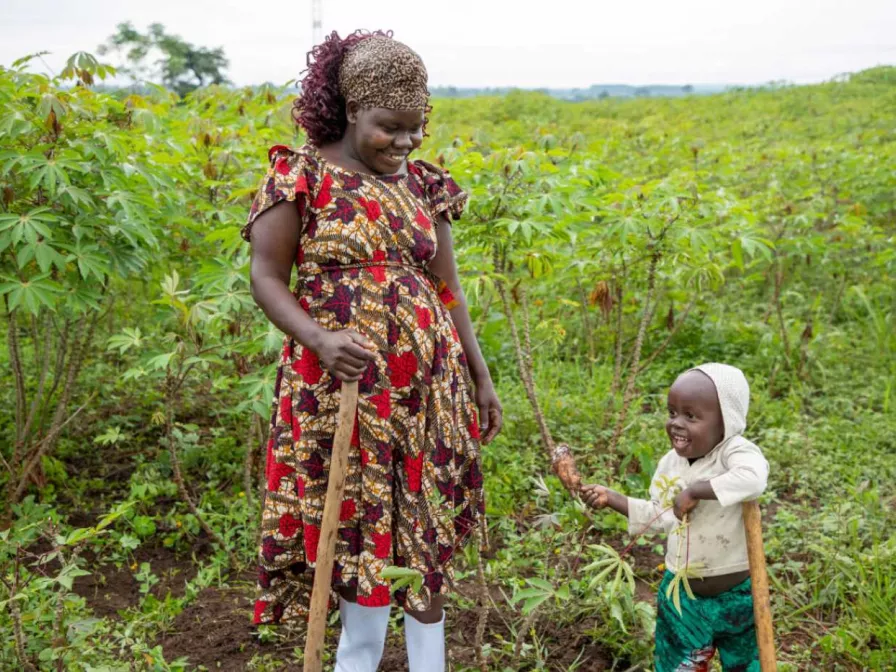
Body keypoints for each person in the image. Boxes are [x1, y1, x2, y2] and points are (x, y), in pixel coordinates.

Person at [241, 30, 502, 672]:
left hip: (425, 391)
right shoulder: (301, 176)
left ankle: (427, 663)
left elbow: (446, 288)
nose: (405, 143)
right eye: (391, 128)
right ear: (352, 109)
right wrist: (320, 338)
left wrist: (479, 373)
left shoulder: (423, 185)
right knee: (357, 525)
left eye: (417, 130)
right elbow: (266, 277)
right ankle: (356, 658)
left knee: (421, 522)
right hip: (339, 388)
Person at [582, 363, 769, 672]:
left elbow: (753, 479)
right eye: (672, 413)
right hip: (682, 596)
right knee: (678, 665)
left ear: (727, 421)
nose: (676, 424)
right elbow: (663, 516)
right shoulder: (671, 464)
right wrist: (613, 499)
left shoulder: (734, 452)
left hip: (738, 596)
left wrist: (697, 490)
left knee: (747, 664)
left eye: (691, 416)